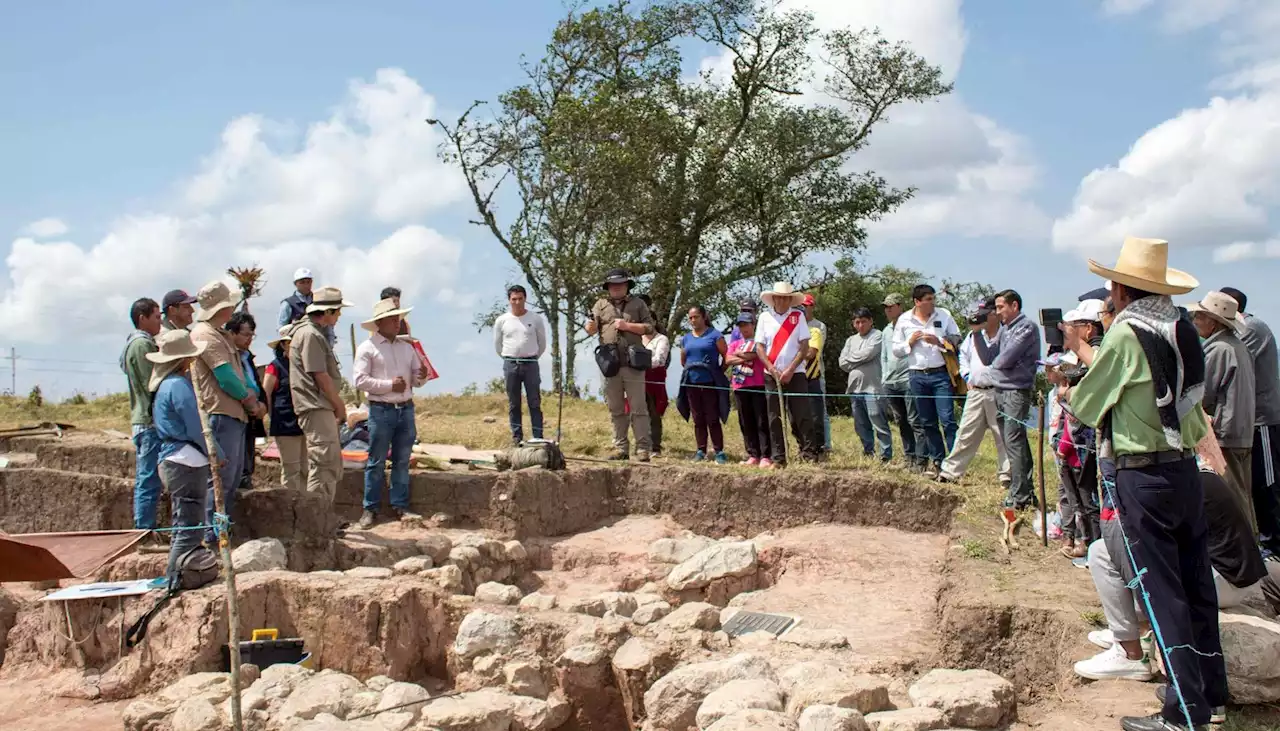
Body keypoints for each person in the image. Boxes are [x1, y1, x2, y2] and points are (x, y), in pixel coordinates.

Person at [1058, 236, 1223, 731]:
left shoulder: (1128, 332)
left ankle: (1182, 714)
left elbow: (1090, 402)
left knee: (1161, 589)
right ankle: (1210, 694)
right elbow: (1190, 401)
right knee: (1195, 582)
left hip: (1142, 471)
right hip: (1182, 466)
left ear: (1121, 289)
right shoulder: (1182, 329)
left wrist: (1067, 390)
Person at [1075, 462, 1267, 719]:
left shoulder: (1166, 482)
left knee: (1102, 550)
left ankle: (1130, 651)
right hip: (1237, 576)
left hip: (1222, 579)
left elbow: (1137, 546)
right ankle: (1137, 632)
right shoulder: (1194, 472)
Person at [190, 281, 264, 545]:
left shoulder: (215, 333)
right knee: (220, 481)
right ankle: (213, 538)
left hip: (232, 414)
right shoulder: (206, 336)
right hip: (221, 413)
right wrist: (249, 401)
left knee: (230, 481)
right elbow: (226, 377)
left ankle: (221, 534)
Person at [353, 297, 429, 528]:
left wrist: (421, 376)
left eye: (398, 319)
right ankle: (370, 508)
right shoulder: (367, 349)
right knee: (376, 461)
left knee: (402, 460)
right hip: (381, 409)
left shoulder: (407, 348)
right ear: (381, 322)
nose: (398, 323)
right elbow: (359, 380)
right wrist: (388, 385)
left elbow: (416, 381)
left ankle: (400, 505)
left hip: (405, 408)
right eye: (394, 320)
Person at [147, 330, 213, 586]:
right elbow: (197, 425)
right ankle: (176, 577)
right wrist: (214, 451)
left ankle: (175, 573)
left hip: (173, 458)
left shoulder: (165, 386)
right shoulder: (178, 386)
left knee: (182, 523)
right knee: (189, 525)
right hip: (186, 460)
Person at [1188, 291, 1256, 529]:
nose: (1195, 321)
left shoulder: (1219, 349)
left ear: (1213, 321)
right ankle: (1251, 547)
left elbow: (1201, 393)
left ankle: (1245, 551)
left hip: (1226, 433)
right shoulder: (1237, 345)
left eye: (1199, 316)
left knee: (1232, 496)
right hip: (1242, 431)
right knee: (1243, 493)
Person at [1221, 287, 1280, 556]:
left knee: (1267, 482)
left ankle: (1273, 542)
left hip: (1262, 419)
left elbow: (1227, 355)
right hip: (1249, 421)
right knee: (1252, 483)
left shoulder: (1252, 328)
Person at [1049, 301, 1106, 558]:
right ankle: (1087, 541)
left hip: (1085, 437)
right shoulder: (1085, 356)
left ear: (1089, 328)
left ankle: (1094, 545)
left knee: (1088, 496)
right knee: (1077, 495)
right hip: (1075, 437)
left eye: (1076, 327)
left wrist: (1069, 390)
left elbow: (1088, 396)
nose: (1070, 332)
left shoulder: (1096, 353)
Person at [290, 286, 353, 502]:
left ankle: (323, 519)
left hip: (319, 406)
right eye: (337, 311)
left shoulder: (313, 333)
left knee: (328, 463)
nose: (339, 316)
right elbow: (320, 374)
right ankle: (317, 521)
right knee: (323, 464)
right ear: (327, 312)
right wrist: (339, 405)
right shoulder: (310, 334)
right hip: (315, 406)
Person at [585, 269, 655, 462]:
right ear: (608, 287)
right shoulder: (600, 304)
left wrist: (628, 326)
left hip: (633, 363)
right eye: (612, 285)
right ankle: (620, 447)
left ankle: (643, 449)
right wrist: (590, 327)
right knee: (615, 408)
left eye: (620, 284)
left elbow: (650, 327)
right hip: (609, 363)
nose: (616, 288)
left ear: (626, 285)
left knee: (638, 408)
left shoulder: (638, 303)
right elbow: (591, 329)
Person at [892, 284, 961, 478]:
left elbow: (957, 338)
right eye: (928, 299)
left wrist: (939, 342)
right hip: (917, 375)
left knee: (947, 419)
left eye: (933, 298)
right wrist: (910, 343)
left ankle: (955, 463)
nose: (932, 303)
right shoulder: (905, 319)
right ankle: (938, 461)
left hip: (940, 373)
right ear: (917, 301)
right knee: (927, 421)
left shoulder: (944, 315)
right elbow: (896, 350)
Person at [939, 304, 1011, 485]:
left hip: (998, 391)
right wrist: (967, 376)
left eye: (985, 315)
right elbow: (963, 357)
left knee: (1003, 435)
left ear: (994, 314)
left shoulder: (1007, 334)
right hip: (976, 391)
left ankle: (1007, 475)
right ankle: (951, 472)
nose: (981, 318)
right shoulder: (972, 336)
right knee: (966, 432)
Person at [756, 282, 818, 466]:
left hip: (796, 373)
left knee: (801, 414)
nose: (782, 301)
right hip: (771, 373)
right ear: (774, 298)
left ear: (790, 299)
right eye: (779, 297)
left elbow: (804, 345)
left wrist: (790, 369)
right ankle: (778, 457)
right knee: (774, 416)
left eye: (786, 298)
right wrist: (772, 368)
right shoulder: (764, 318)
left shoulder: (797, 316)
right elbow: (759, 347)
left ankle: (809, 454)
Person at [990, 289, 1042, 510]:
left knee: (1014, 440)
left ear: (1014, 306)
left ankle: (1019, 495)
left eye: (1001, 307)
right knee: (1013, 442)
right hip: (1000, 390)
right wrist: (977, 332)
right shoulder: (1005, 329)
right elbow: (989, 355)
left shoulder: (1026, 327)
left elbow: (1004, 359)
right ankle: (1025, 489)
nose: (998, 311)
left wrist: (991, 368)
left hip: (1016, 391)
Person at [121, 297, 164, 539]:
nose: (160, 322)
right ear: (142, 318)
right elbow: (152, 384)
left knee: (148, 477)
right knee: (148, 478)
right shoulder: (141, 345)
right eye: (156, 317)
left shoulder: (133, 343)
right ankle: (144, 530)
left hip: (143, 419)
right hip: (148, 420)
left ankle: (146, 527)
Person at [493, 285, 547, 445]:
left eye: (520, 299)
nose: (517, 302)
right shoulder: (502, 320)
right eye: (513, 299)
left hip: (530, 363)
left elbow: (542, 342)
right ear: (509, 300)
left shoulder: (535, 318)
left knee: (534, 401)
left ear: (525, 299)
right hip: (511, 363)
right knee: (514, 402)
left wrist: (533, 356)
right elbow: (497, 344)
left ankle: (537, 435)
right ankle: (517, 436)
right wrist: (508, 356)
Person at [839, 307, 892, 461]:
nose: (861, 325)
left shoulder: (877, 335)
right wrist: (858, 359)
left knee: (878, 421)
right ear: (853, 324)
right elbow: (842, 362)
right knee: (860, 424)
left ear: (871, 321)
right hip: (854, 388)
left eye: (864, 321)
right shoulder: (850, 340)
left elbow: (869, 354)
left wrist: (852, 359)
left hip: (873, 387)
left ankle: (885, 455)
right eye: (857, 322)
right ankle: (868, 452)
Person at [678, 305, 729, 464]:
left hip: (710, 382)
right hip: (692, 383)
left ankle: (719, 451)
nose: (693, 320)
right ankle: (701, 449)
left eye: (696, 317)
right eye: (691, 318)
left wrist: (717, 372)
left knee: (712, 417)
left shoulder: (715, 335)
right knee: (697, 418)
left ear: (704, 317)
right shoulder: (685, 338)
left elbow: (726, 357)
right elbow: (683, 360)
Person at [881, 293, 922, 469]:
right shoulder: (886, 330)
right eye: (886, 307)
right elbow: (884, 356)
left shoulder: (910, 326)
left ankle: (921, 458)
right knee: (901, 420)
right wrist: (884, 377)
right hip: (890, 381)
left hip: (908, 378)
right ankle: (909, 456)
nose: (887, 310)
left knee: (915, 420)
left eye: (891, 306)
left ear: (900, 306)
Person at [262, 326, 305, 491]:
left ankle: (306, 507)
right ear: (283, 345)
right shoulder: (275, 366)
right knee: (291, 469)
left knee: (306, 468)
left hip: (305, 421)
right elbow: (266, 392)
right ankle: (291, 507)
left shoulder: (303, 365)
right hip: (285, 422)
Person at [227, 311, 265, 491]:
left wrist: (262, 406)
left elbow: (257, 384)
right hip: (236, 414)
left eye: (252, 335)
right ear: (232, 333)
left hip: (252, 416)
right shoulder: (227, 356)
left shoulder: (248, 358)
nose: (249, 339)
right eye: (246, 334)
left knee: (247, 464)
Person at [727, 312, 771, 466]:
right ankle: (753, 453)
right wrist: (744, 355)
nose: (744, 328)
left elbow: (756, 355)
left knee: (761, 420)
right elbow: (728, 359)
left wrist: (742, 355)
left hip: (758, 384)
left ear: (753, 325)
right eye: (741, 325)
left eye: (746, 324)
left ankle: (766, 454)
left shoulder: (759, 342)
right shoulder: (734, 343)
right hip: (740, 386)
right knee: (746, 421)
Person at [639, 295, 670, 457]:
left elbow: (659, 359)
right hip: (637, 380)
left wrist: (639, 362)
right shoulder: (636, 339)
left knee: (654, 414)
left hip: (654, 380)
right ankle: (641, 445)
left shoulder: (661, 339)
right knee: (637, 414)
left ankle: (655, 447)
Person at [279, 268, 335, 346]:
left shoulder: (319, 301)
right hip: (297, 345)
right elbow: (282, 330)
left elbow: (328, 326)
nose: (306, 285)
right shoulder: (288, 304)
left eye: (308, 282)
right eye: (302, 282)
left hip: (320, 344)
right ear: (295, 284)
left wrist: (329, 345)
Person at [803, 294, 831, 452]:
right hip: (799, 374)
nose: (804, 309)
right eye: (802, 306)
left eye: (806, 306)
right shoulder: (794, 325)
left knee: (821, 411)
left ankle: (825, 444)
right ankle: (808, 444)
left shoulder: (819, 326)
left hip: (816, 372)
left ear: (812, 307)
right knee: (803, 411)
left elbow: (813, 350)